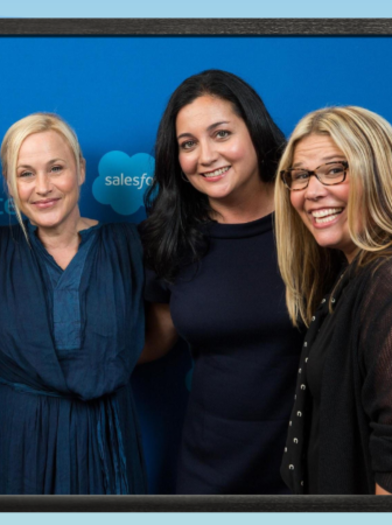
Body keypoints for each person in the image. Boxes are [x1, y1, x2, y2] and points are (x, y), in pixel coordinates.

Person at [140, 70, 303, 494]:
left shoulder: (310, 218)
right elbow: (155, 339)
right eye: (188, 144)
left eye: (222, 133)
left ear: (255, 129)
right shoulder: (172, 235)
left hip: (310, 461)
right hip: (210, 467)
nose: (206, 155)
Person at [0, 112, 146, 494]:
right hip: (14, 442)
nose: (43, 187)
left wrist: (102, 361)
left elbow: (158, 333)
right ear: (9, 184)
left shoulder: (129, 246)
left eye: (56, 168)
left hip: (105, 438)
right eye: (26, 174)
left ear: (81, 169)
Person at [276, 106, 392, 495]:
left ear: (377, 174)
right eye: (301, 176)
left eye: (333, 170)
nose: (312, 191)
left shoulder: (386, 279)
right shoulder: (349, 275)